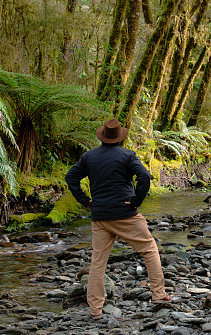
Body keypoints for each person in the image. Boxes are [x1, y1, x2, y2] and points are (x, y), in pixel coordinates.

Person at [65, 117, 171, 319]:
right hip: (126, 215)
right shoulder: (127, 155)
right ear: (120, 138)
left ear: (102, 137)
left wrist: (85, 200)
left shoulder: (89, 157)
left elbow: (70, 177)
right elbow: (144, 177)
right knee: (149, 249)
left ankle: (95, 310)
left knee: (98, 263)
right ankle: (158, 295)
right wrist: (136, 201)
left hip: (100, 216)